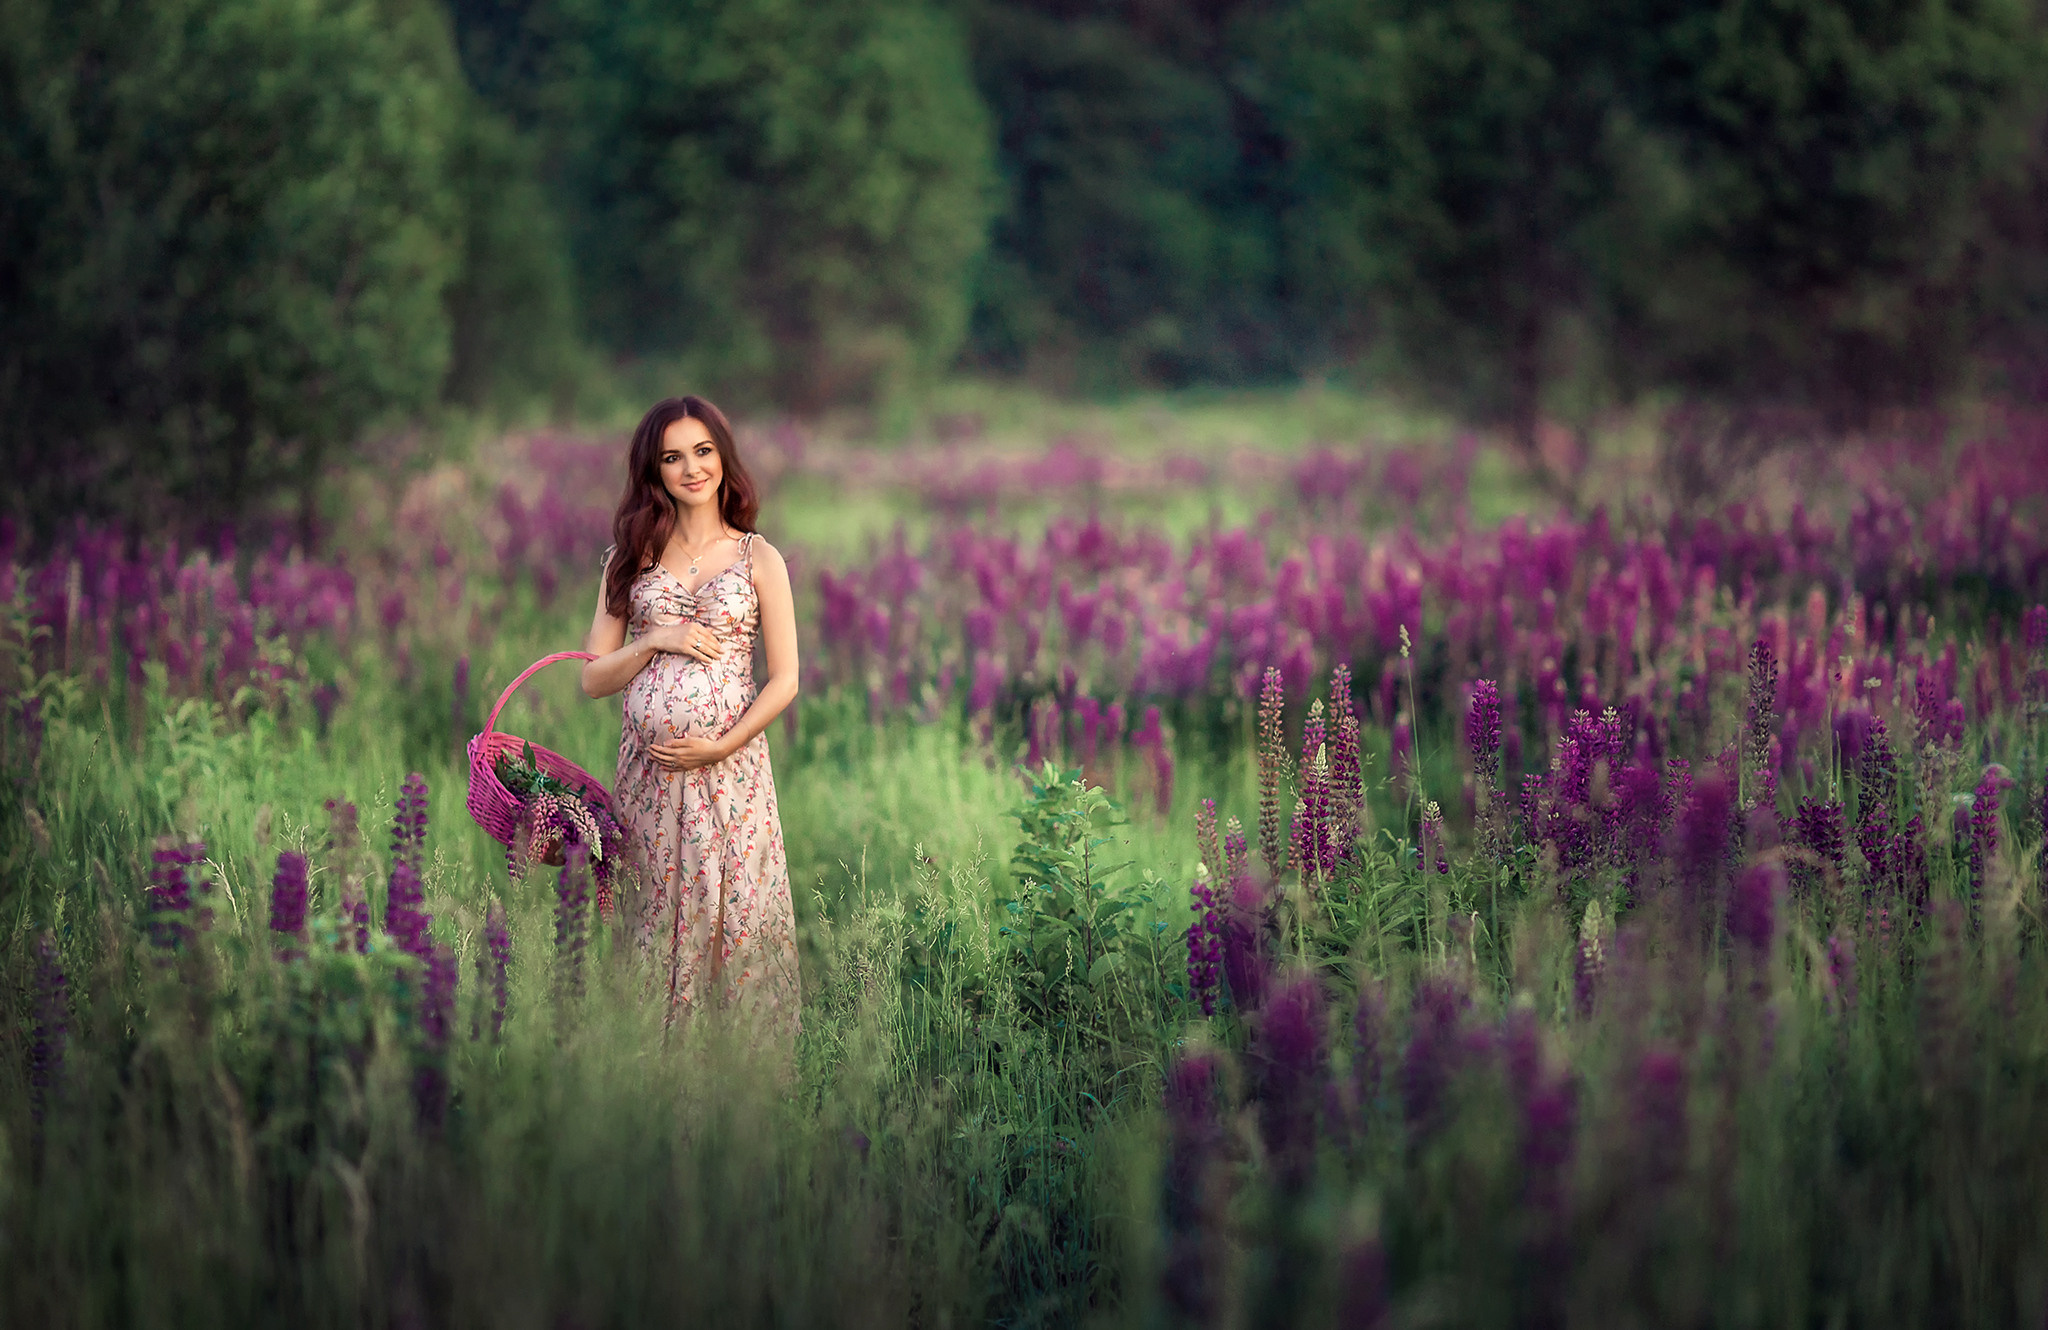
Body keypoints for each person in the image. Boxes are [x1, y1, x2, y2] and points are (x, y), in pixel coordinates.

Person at [579, 395, 801, 1037]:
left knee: (728, 909)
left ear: (723, 459)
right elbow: (592, 676)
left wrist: (721, 746)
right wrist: (653, 640)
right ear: (655, 470)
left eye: (703, 451)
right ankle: (652, 1075)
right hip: (649, 779)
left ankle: (737, 1079)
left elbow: (784, 680)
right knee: (653, 913)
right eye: (673, 457)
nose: (691, 469)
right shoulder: (631, 556)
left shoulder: (760, 557)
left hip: (731, 772)